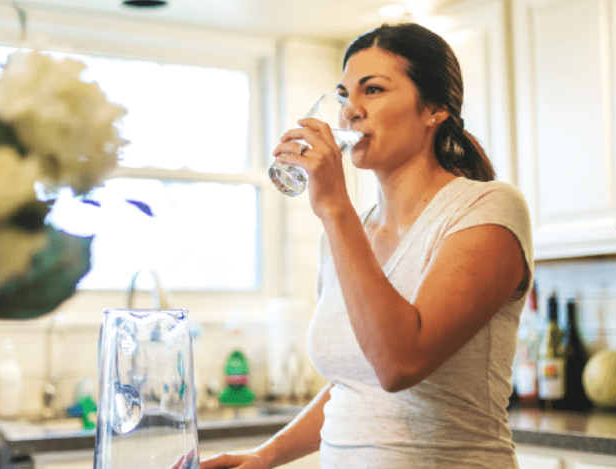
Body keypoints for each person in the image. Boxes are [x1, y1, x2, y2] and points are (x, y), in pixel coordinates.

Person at [201, 22, 533, 469]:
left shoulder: (487, 207)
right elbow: (354, 386)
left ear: (434, 108)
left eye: (372, 90)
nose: (349, 111)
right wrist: (266, 455)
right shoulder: (346, 233)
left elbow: (400, 364)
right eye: (342, 96)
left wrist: (335, 209)